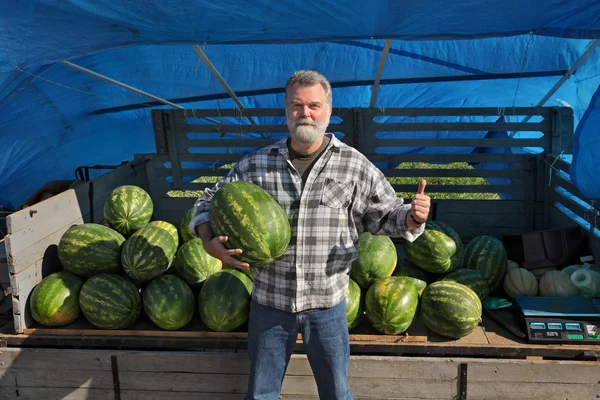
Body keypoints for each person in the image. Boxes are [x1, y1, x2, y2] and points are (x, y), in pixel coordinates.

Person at [189, 70, 431, 400]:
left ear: (328, 111)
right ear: (286, 111)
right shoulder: (257, 165)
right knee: (261, 394)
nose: (305, 113)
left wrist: (414, 218)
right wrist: (207, 241)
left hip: (327, 305)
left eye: (314, 105)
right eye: (296, 105)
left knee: (336, 392)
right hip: (271, 303)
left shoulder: (354, 166)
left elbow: (387, 216)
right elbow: (208, 197)